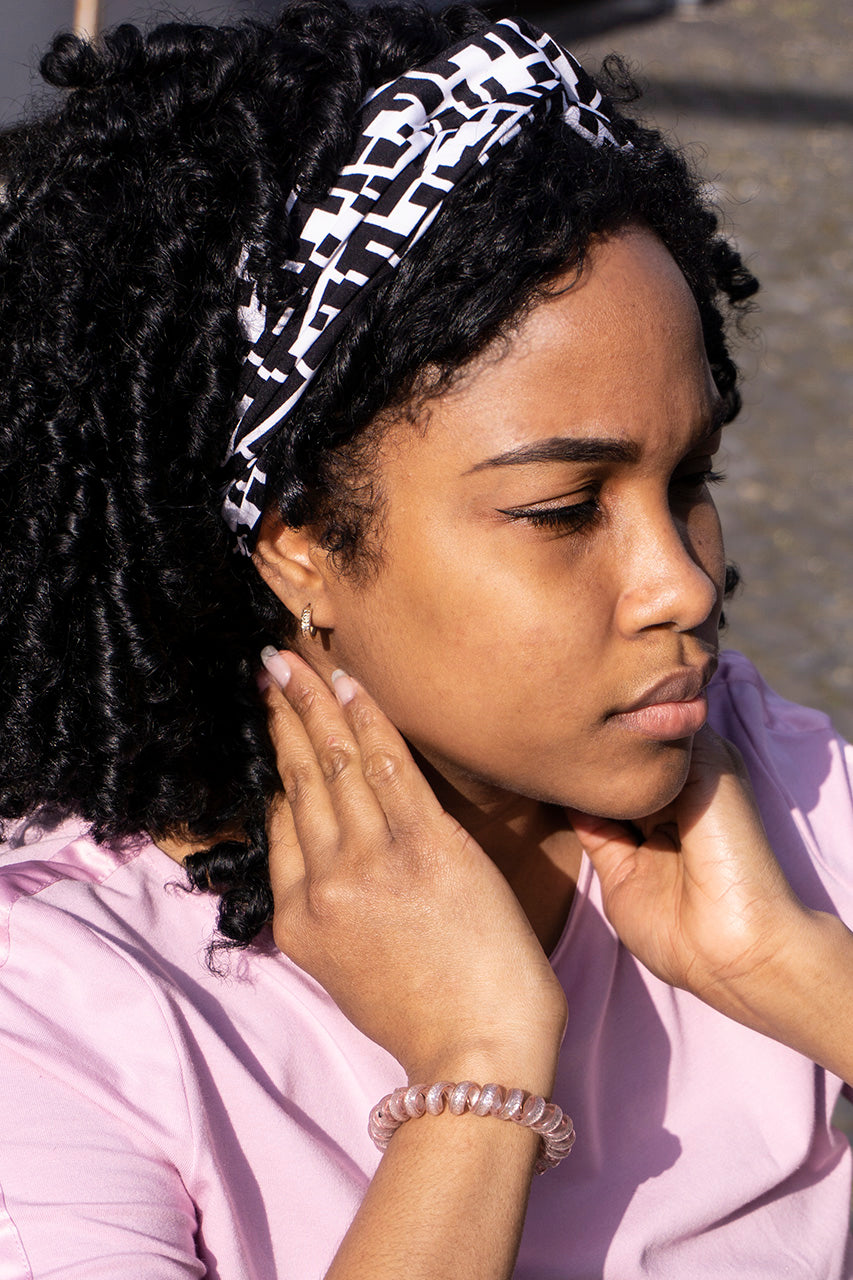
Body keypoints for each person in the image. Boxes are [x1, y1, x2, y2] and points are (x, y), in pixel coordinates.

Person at [0, 2, 851, 1276]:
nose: (680, 584)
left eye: (688, 482)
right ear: (296, 544)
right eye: (563, 509)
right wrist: (476, 1076)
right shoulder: (58, 1013)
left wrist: (792, 967)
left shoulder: (774, 808)